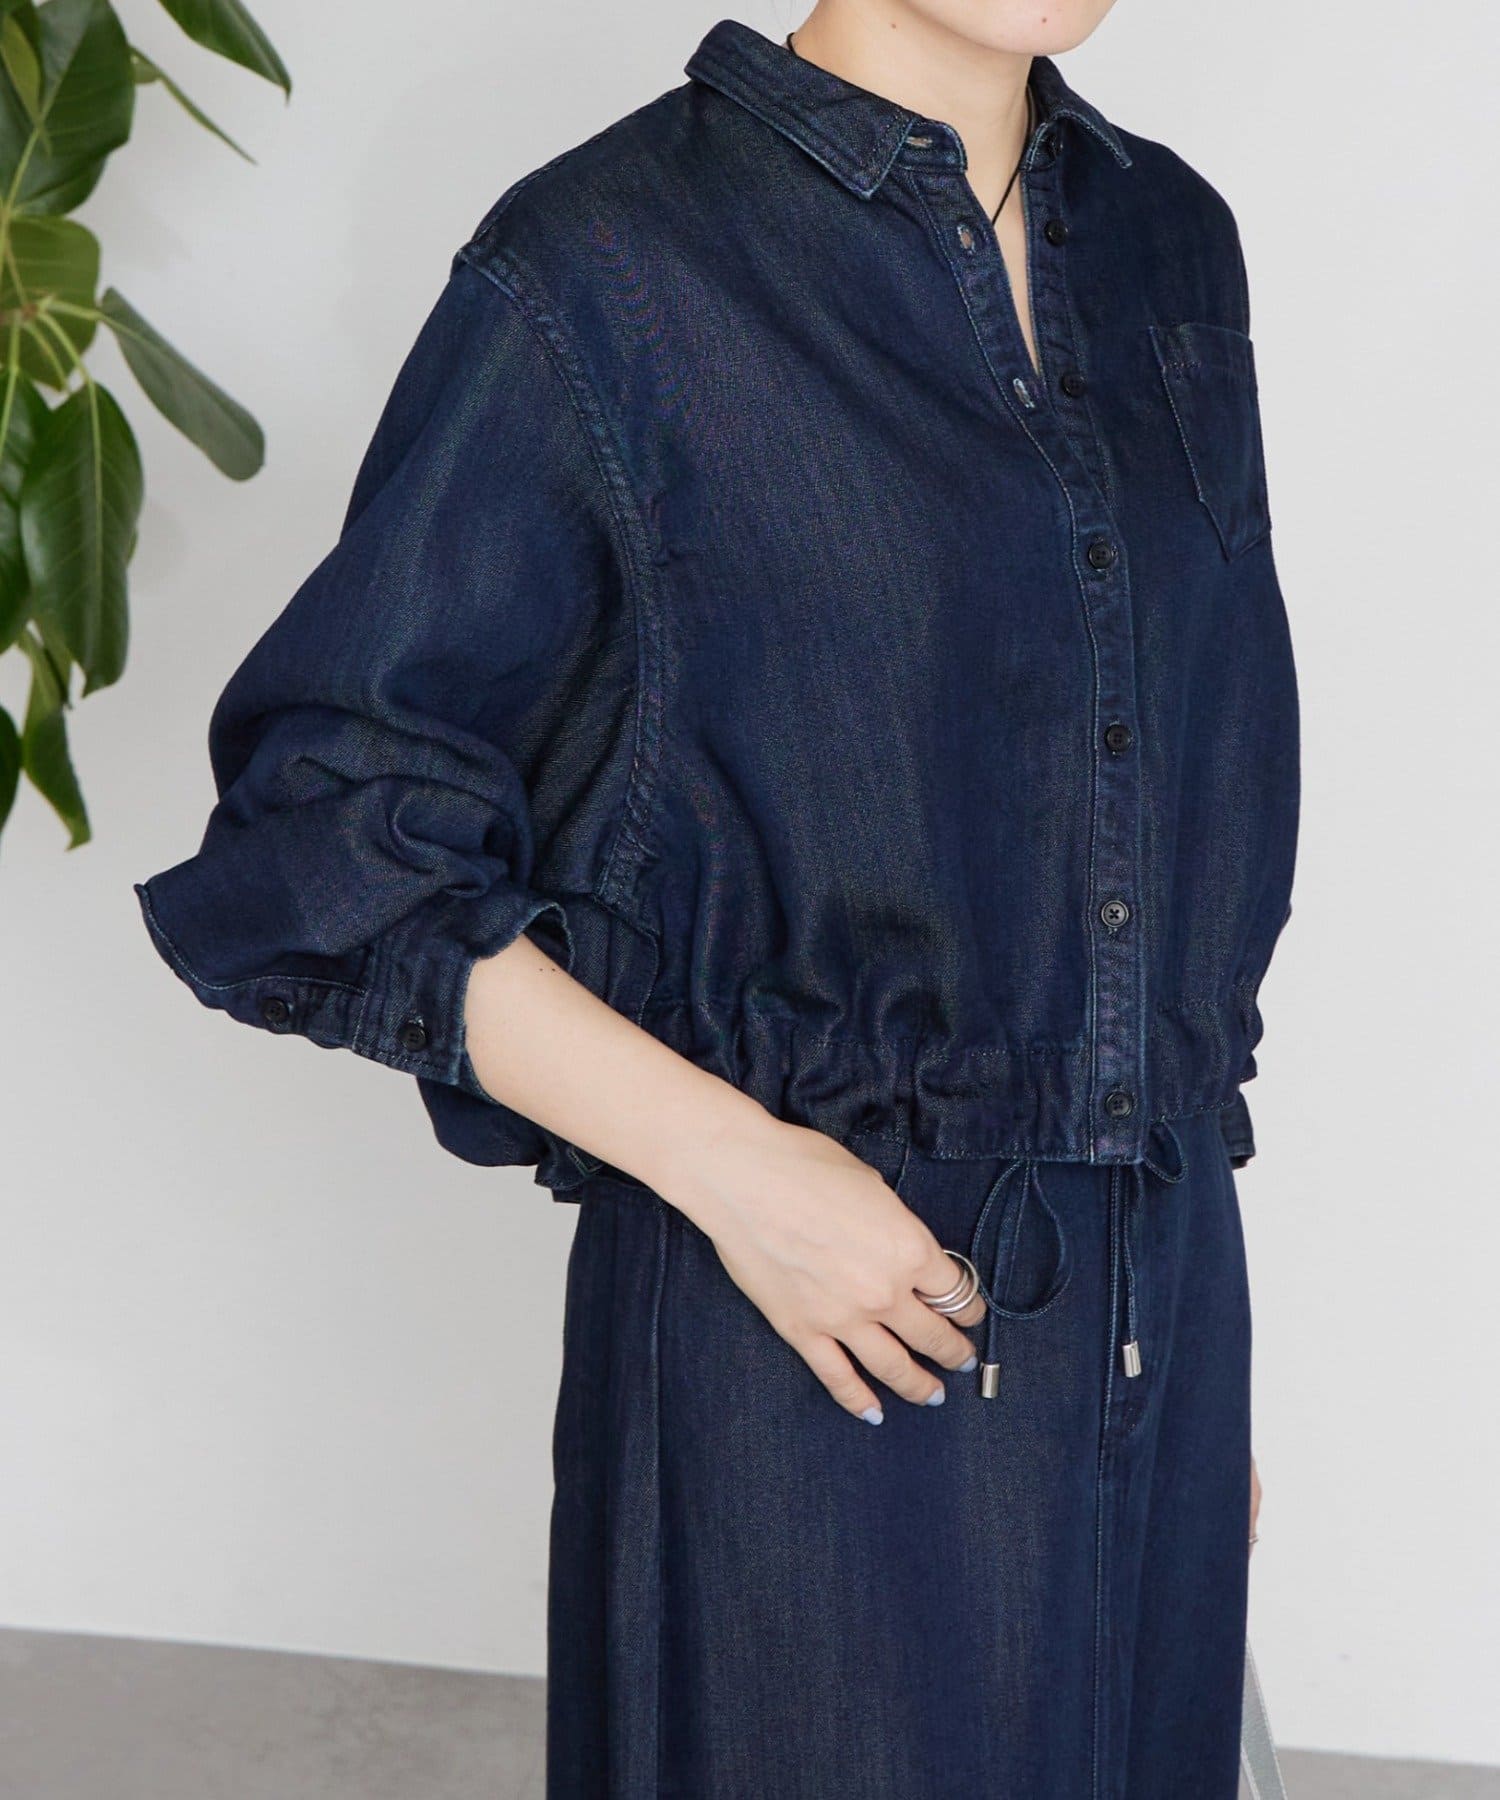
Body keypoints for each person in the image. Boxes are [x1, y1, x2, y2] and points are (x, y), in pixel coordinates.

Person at [133, 4, 1298, 1795]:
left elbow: (1159, 810)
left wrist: (1182, 1359)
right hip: (818, 1338)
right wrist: (739, 1172)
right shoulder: (608, 264)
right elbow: (326, 832)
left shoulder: (1169, 239)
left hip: (1156, 1320)